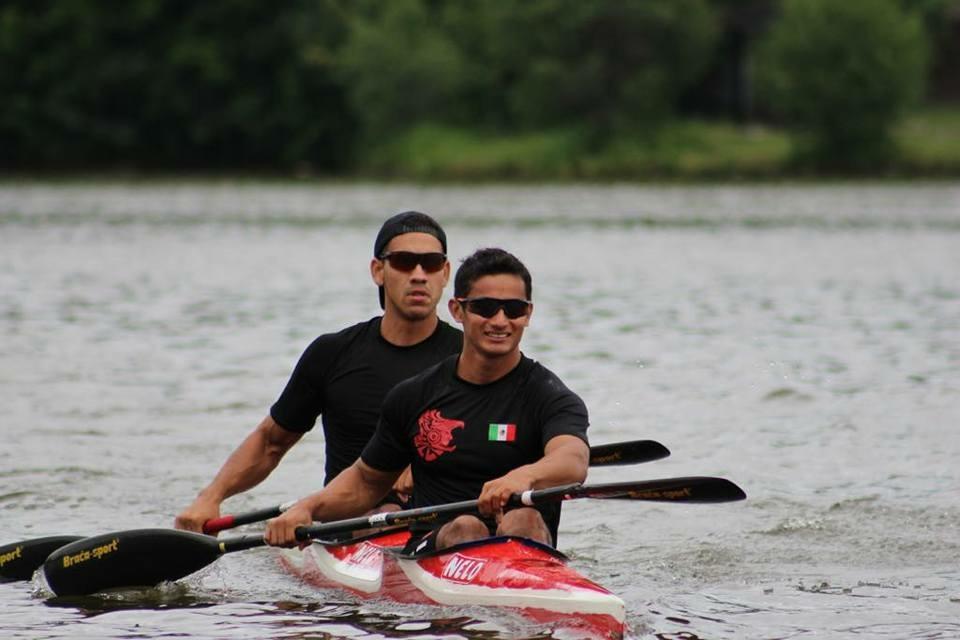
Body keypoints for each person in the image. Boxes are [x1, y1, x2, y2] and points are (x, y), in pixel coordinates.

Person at [265, 247, 589, 552]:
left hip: (526, 545)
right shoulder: (414, 395)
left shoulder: (550, 395)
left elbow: (573, 460)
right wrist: (306, 508)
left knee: (524, 517)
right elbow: (365, 482)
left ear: (528, 314)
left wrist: (525, 476)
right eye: (484, 308)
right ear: (457, 310)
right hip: (436, 545)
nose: (500, 321)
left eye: (514, 309)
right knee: (466, 527)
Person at [174, 211, 463, 532]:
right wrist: (211, 497)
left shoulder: (472, 357)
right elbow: (271, 442)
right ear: (378, 271)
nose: (419, 274)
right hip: (353, 524)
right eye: (404, 262)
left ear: (446, 272)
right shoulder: (333, 353)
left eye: (432, 263)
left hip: (447, 521)